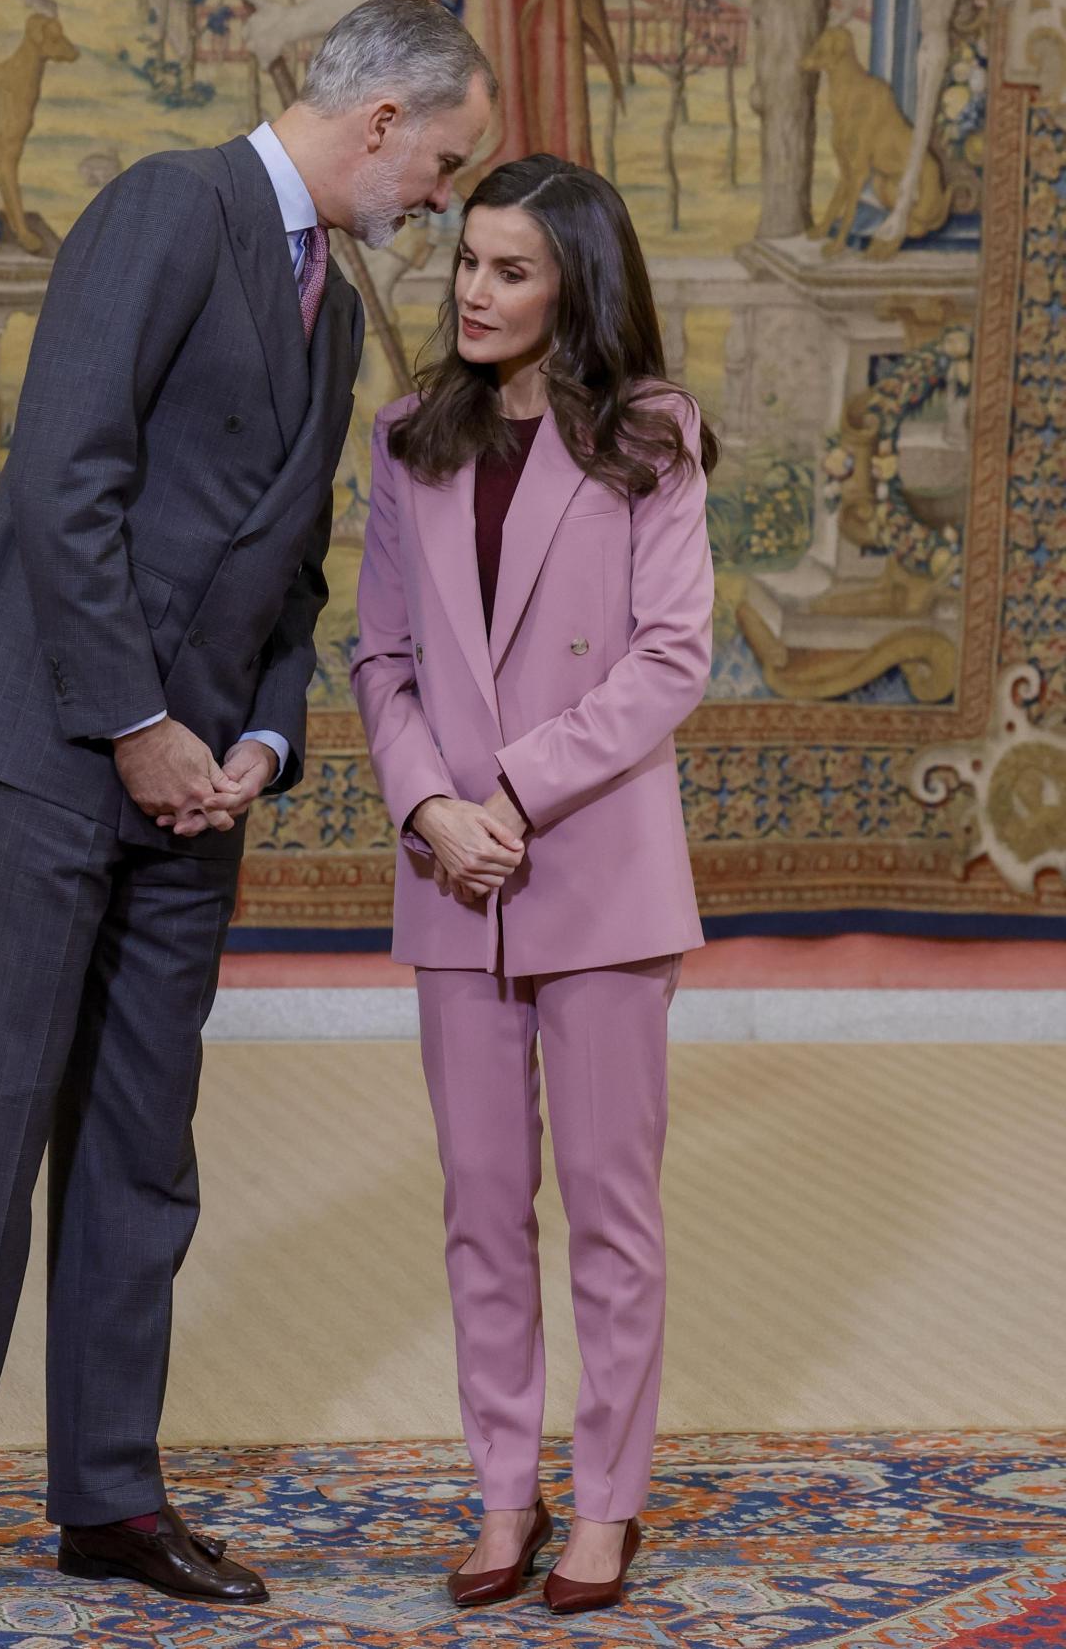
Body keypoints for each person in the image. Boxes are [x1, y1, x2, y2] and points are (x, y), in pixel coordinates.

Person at [0, 0, 496, 1634]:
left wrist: (261, 749)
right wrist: (141, 725)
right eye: (442, 161)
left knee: (144, 1148)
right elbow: (63, 477)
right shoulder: (166, 206)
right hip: (43, 752)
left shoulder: (337, 312)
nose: (441, 195)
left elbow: (293, 575)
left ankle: (110, 1497)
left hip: (197, 797)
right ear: (380, 122)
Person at [350, 152, 716, 1617]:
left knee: (611, 1213)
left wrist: (509, 791)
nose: (476, 291)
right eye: (467, 265)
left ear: (578, 281)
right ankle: (505, 1493)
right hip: (455, 876)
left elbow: (669, 654)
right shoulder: (407, 436)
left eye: (511, 268)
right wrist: (432, 803)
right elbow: (380, 656)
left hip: (600, 871)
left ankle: (607, 1504)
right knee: (481, 1200)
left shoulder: (651, 435)